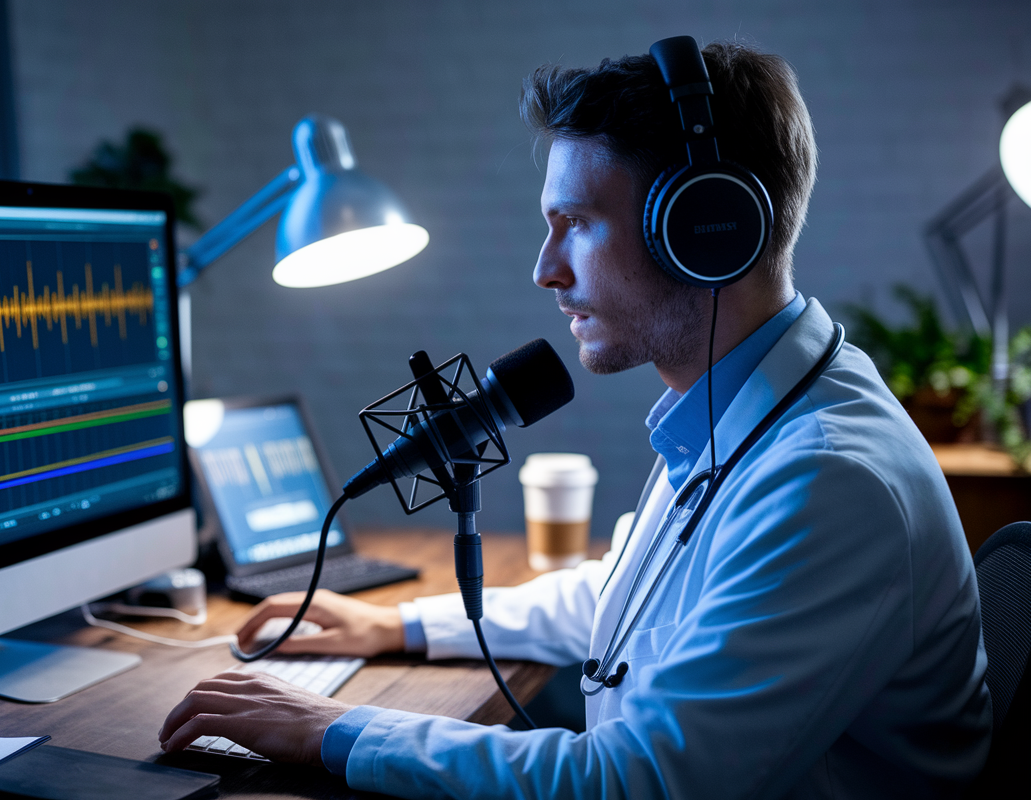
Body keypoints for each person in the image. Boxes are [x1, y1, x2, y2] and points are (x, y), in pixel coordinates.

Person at [159, 40, 991, 798]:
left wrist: (337, 730)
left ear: (705, 229)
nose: (544, 270)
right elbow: (639, 597)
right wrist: (401, 624)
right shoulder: (746, 407)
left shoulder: (826, 478)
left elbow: (635, 782)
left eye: (577, 224)